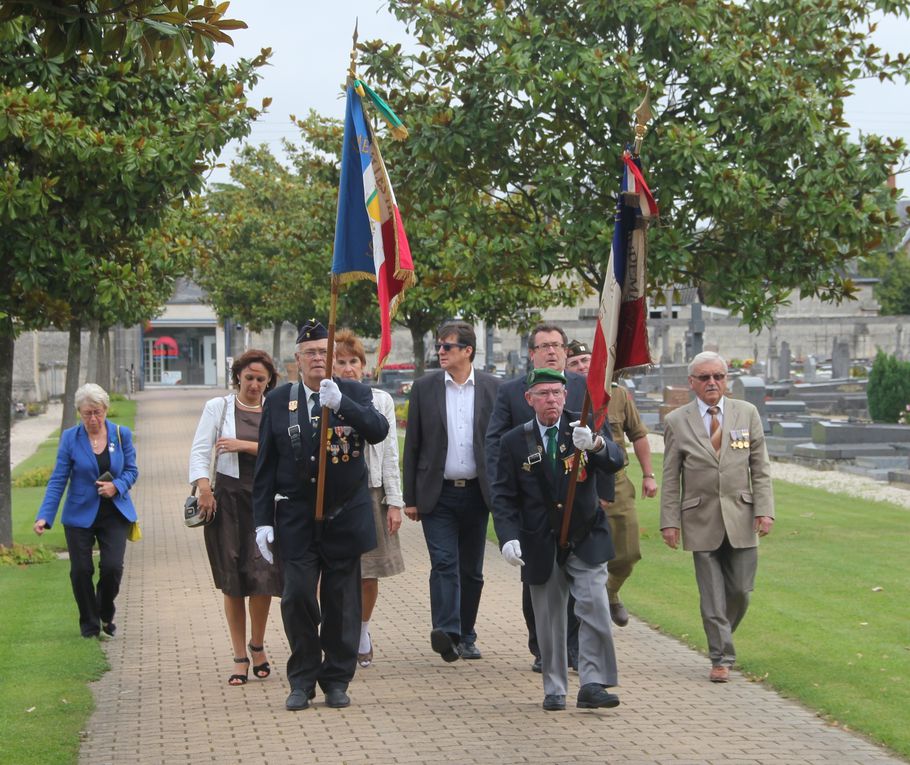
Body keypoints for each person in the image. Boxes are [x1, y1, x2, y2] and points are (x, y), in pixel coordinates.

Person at [253, 319, 388, 711]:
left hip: (344, 515)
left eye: (322, 352)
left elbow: (378, 430)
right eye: (309, 353)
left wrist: (341, 403)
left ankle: (336, 679)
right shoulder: (280, 400)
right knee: (296, 597)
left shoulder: (355, 392)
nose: (317, 359)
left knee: (341, 603)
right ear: (296, 359)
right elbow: (265, 465)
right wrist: (262, 520)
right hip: (295, 517)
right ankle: (302, 679)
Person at [491, 368, 626, 712]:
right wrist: (507, 538)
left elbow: (615, 460)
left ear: (566, 396)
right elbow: (503, 496)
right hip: (540, 539)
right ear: (529, 399)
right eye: (543, 393)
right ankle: (554, 687)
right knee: (549, 618)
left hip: (585, 534)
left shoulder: (584, 426)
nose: (551, 399)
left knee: (594, 603)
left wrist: (595, 445)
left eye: (556, 392)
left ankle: (593, 682)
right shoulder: (514, 441)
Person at [660, 351, 775, 683]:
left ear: (727, 380)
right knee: (711, 593)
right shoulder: (677, 421)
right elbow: (670, 477)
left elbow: (760, 468)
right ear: (692, 383)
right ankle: (720, 656)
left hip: (741, 513)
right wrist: (669, 520)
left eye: (719, 377)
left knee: (740, 590)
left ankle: (721, 635)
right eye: (705, 377)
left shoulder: (747, 413)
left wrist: (765, 510)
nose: (713, 383)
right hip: (700, 517)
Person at [485, 323, 594, 672]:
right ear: (532, 353)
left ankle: (572, 650)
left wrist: (602, 491)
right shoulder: (512, 391)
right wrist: (502, 497)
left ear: (565, 350)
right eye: (544, 345)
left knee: (578, 582)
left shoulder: (583, 386)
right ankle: (542, 647)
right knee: (539, 580)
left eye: (557, 345)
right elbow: (496, 441)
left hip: (576, 502)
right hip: (533, 504)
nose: (551, 351)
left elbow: (600, 439)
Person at [403, 320, 501, 662]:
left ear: (467, 351)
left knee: (471, 569)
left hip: (477, 494)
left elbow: (501, 443)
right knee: (444, 563)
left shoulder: (493, 388)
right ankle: (447, 632)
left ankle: (467, 633)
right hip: (437, 493)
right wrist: (410, 498)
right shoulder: (425, 388)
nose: (440, 352)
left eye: (448, 346)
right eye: (439, 346)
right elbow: (412, 444)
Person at [189, 349, 283, 686]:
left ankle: (258, 644)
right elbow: (201, 449)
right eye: (249, 378)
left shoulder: (275, 408)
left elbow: (282, 450)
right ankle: (239, 655)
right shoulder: (220, 407)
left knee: (263, 575)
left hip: (264, 500)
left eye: (261, 379)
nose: (255, 385)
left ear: (269, 380)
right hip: (227, 499)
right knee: (232, 578)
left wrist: (243, 445)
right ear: (238, 378)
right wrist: (203, 487)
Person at [34, 383, 138, 639]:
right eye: (87, 413)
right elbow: (58, 479)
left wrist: (117, 486)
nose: (93, 418)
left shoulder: (121, 434)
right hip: (80, 514)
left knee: (112, 567)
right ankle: (90, 625)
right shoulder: (71, 438)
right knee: (81, 571)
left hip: (114, 513)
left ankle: (104, 610)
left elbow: (132, 471)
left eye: (97, 412)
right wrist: (44, 515)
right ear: (79, 413)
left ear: (105, 409)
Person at [565, 339, 658, 626]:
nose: (582, 367)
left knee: (628, 552)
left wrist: (648, 474)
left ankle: (611, 592)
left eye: (585, 362)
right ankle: (583, 610)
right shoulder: (563, 395)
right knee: (580, 554)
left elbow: (638, 434)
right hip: (579, 482)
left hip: (616, 481)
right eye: (575, 364)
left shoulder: (618, 395)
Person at [333, 329, 405, 668]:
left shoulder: (381, 400)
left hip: (371, 491)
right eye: (341, 362)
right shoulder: (325, 397)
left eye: (354, 362)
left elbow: (390, 453)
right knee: (332, 571)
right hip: (335, 493)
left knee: (368, 571)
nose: (348, 368)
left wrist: (395, 501)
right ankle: (335, 631)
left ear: (364, 366)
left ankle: (362, 630)